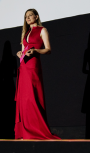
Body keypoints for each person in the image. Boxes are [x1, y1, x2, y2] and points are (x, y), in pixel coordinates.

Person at [14, 9, 60, 139]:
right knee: (24, 99)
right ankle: (24, 131)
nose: (28, 18)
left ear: (36, 16)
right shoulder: (26, 32)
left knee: (32, 97)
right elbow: (24, 50)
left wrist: (36, 51)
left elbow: (48, 49)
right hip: (23, 67)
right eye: (26, 16)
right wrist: (20, 53)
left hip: (33, 66)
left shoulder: (42, 30)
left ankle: (35, 130)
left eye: (30, 15)